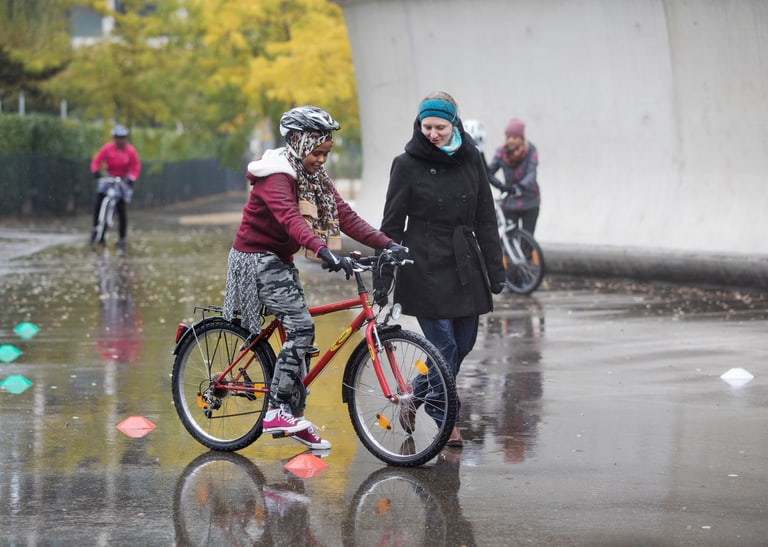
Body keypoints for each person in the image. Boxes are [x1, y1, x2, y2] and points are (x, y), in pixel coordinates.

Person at [223, 105, 407, 451]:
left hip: (278, 259)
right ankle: (277, 409)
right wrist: (324, 252)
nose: (322, 159)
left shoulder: (314, 179)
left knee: (301, 339)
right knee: (302, 328)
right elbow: (291, 220)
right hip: (255, 259)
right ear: (298, 142)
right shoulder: (275, 176)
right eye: (317, 151)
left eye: (327, 152)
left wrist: (390, 244)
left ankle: (294, 414)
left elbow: (346, 217)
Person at [376, 91, 506, 448]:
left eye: (440, 127)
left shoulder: (472, 159)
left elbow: (485, 217)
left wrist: (495, 269)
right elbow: (391, 224)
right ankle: (448, 418)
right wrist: (384, 275)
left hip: (465, 263)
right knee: (443, 345)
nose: (432, 133)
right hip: (424, 264)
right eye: (426, 126)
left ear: (454, 124)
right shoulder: (406, 164)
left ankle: (415, 395)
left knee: (463, 343)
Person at [89, 125, 141, 249]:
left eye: (122, 138)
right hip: (109, 177)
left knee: (121, 207)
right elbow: (96, 161)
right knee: (100, 198)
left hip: (123, 179)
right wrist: (95, 171)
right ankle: (95, 230)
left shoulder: (130, 151)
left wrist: (132, 178)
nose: (120, 140)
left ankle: (122, 237)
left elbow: (136, 166)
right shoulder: (107, 148)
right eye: (117, 138)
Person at [487, 118, 541, 234]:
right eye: (509, 137)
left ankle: (527, 252)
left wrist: (520, 187)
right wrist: (501, 186)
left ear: (521, 138)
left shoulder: (531, 150)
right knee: (510, 237)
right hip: (510, 202)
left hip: (530, 201)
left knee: (527, 239)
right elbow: (489, 171)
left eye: (515, 137)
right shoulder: (500, 152)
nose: (511, 140)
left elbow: (532, 174)